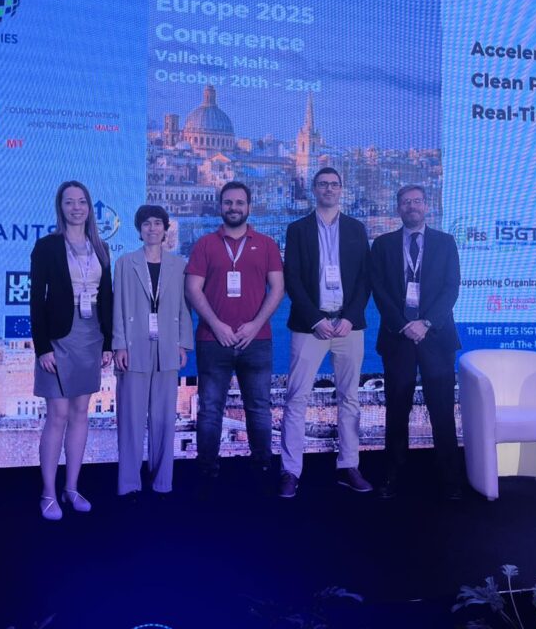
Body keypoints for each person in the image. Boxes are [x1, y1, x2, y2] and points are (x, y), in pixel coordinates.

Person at [279, 167, 372, 497]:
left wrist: (351, 317)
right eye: (323, 184)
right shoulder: (297, 229)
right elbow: (292, 278)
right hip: (309, 327)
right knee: (296, 398)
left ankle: (348, 466)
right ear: (314, 189)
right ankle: (291, 470)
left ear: (341, 189)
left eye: (334, 184)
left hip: (349, 326)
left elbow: (365, 279)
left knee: (350, 398)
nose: (329, 189)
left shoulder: (356, 229)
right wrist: (315, 319)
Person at [184, 181, 284, 491]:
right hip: (212, 340)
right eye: (228, 202)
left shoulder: (266, 244)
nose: (234, 208)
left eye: (240, 203)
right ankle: (206, 471)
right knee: (209, 409)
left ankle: (262, 468)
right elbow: (192, 289)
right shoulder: (204, 245)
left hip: (257, 340)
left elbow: (278, 289)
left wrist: (254, 325)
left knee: (259, 408)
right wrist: (216, 325)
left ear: (249, 207)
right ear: (220, 207)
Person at [369, 184, 463, 500]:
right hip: (398, 338)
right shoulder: (382, 245)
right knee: (397, 409)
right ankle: (392, 475)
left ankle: (450, 478)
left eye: (417, 201)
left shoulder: (446, 242)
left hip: (436, 337)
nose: (412, 206)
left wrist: (426, 323)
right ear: (398, 208)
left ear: (426, 206)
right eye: (406, 202)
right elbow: (379, 289)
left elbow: (452, 288)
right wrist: (403, 325)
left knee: (442, 410)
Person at [30, 180, 113, 520]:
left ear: (89, 207)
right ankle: (48, 493)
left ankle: (72, 488)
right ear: (60, 207)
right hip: (58, 339)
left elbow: (107, 297)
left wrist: (108, 343)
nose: (76, 208)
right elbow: (36, 300)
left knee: (81, 413)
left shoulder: (101, 247)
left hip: (91, 338)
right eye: (69, 202)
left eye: (82, 202)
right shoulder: (47, 246)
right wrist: (42, 348)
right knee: (58, 415)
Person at [113, 204, 193, 498]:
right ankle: (129, 483)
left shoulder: (179, 265)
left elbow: (185, 308)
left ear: (165, 229)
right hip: (133, 347)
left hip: (168, 347)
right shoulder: (125, 263)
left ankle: (162, 482)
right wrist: (118, 344)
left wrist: (183, 343)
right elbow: (117, 306)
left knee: (164, 419)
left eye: (158, 223)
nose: (152, 228)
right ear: (139, 229)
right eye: (146, 223)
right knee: (130, 419)